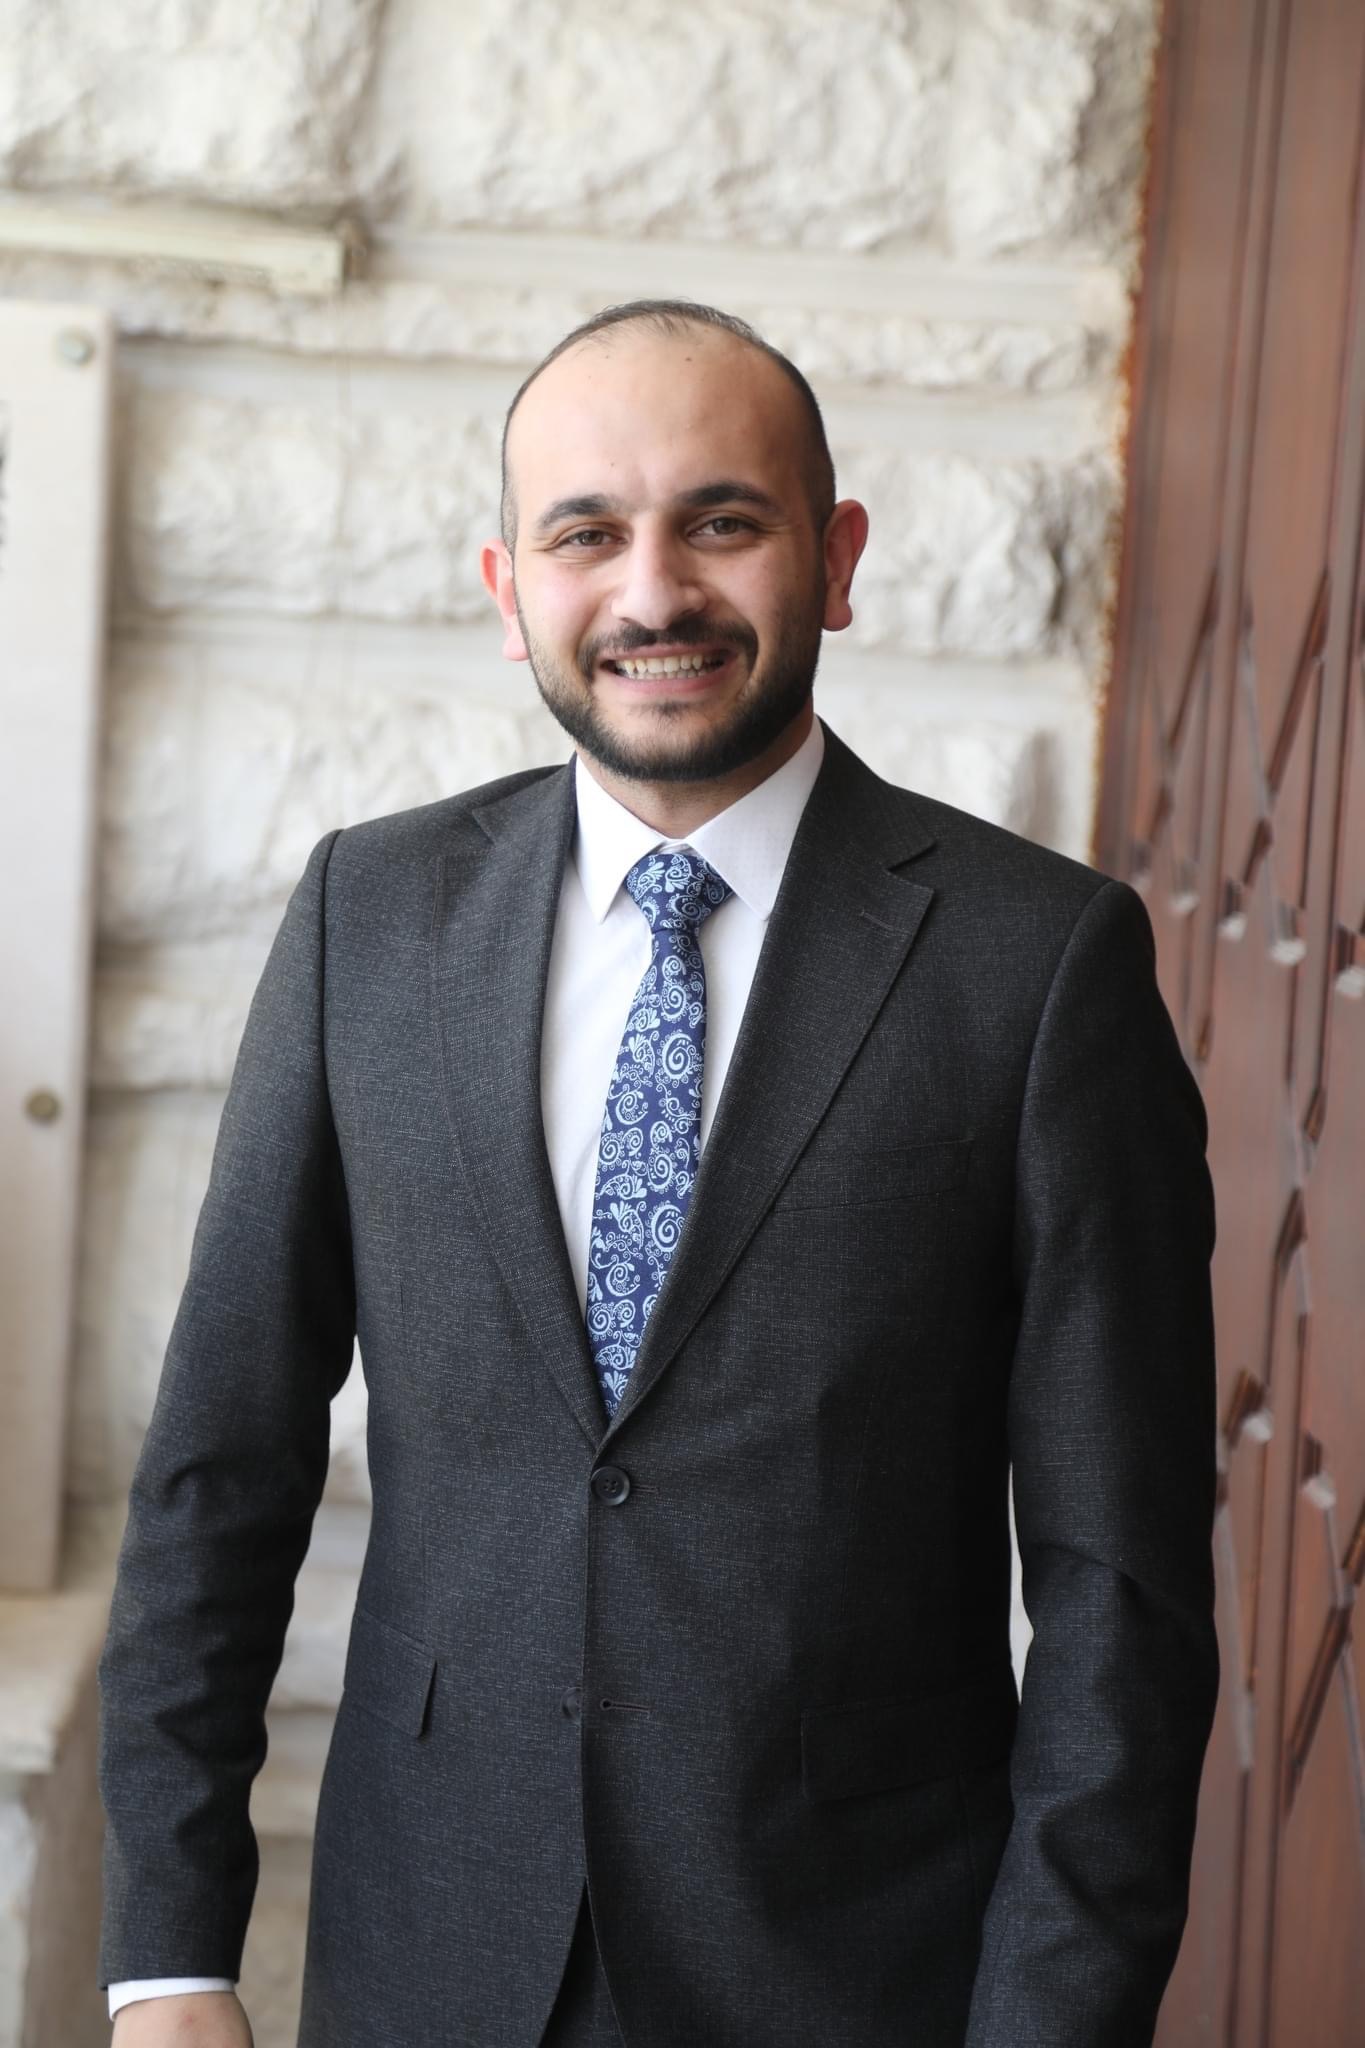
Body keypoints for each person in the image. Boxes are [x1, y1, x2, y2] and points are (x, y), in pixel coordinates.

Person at [98, 300, 1219, 2048]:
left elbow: (1118, 1592)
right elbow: (215, 1472)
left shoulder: (1038, 968)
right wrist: (169, 1963)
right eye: (584, 534)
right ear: (508, 591)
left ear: (833, 559)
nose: (651, 592)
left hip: (859, 1978)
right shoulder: (364, 922)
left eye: (721, 520)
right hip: (424, 1967)